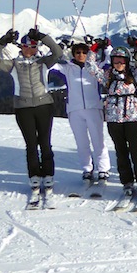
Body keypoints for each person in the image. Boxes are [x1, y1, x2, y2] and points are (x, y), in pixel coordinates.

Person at [0, 28, 64, 205]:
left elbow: (58, 52)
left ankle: (48, 178)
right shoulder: (14, 64)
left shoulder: (44, 62)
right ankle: (35, 179)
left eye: (34, 47)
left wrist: (43, 37)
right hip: (23, 108)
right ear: (21, 47)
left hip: (44, 105)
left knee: (45, 143)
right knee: (31, 144)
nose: (31, 50)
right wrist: (2, 42)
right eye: (27, 47)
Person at [87, 42, 137, 197]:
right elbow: (90, 66)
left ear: (127, 61)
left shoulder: (135, 75)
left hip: (132, 118)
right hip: (114, 119)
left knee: (136, 151)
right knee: (121, 151)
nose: (118, 64)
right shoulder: (108, 76)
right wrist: (94, 49)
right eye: (116, 61)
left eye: (122, 61)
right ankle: (127, 182)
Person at [50, 41, 110, 182]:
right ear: (73, 54)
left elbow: (109, 60)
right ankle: (87, 169)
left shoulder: (95, 66)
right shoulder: (67, 68)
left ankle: (103, 169)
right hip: (75, 110)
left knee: (98, 140)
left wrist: (107, 47)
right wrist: (58, 49)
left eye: (84, 52)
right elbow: (49, 64)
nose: (81, 55)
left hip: (94, 108)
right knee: (81, 142)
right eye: (78, 52)